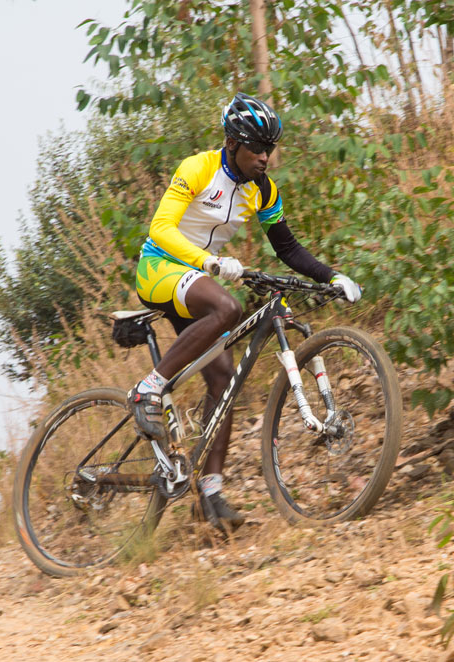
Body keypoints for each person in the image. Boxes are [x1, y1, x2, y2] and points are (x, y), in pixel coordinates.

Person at [129, 92, 361, 532]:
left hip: (198, 280)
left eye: (269, 148)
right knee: (229, 306)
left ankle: (210, 495)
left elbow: (286, 247)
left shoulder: (262, 190)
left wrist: (331, 276)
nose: (264, 157)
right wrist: (208, 262)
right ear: (232, 143)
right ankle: (149, 388)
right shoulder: (198, 169)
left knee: (224, 379)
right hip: (159, 268)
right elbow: (160, 227)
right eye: (256, 147)